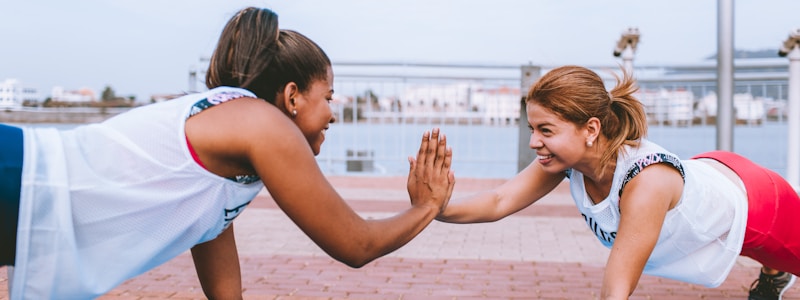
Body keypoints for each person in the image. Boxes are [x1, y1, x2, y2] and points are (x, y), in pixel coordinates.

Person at [0, 7, 455, 299]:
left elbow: (210, 236)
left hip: (22, 191)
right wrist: (427, 206)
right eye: (329, 97)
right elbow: (356, 245)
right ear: (293, 96)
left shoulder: (231, 150)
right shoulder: (263, 124)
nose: (333, 114)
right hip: (21, 177)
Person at [436, 65, 799, 300]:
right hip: (710, 173)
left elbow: (616, 290)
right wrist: (434, 207)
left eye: (546, 130)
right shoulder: (566, 160)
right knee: (734, 245)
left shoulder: (646, 183)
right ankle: (773, 270)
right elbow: (500, 201)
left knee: (763, 247)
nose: (533, 142)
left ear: (591, 129)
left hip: (758, 203)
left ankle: (774, 271)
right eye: (532, 129)